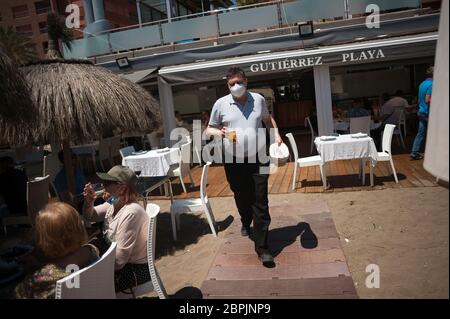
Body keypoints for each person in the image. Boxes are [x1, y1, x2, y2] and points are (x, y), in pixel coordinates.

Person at [206, 67, 282, 267]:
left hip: (259, 156)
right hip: (233, 158)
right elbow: (209, 128)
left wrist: (276, 135)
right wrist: (218, 133)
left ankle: (263, 248)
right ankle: (246, 220)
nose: (236, 86)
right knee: (241, 194)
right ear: (227, 85)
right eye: (232, 84)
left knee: (260, 198)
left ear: (246, 81)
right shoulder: (220, 104)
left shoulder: (258, 99)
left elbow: (267, 119)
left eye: (239, 82)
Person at [82, 165, 151, 292]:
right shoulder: (114, 203)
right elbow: (90, 216)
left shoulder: (131, 212)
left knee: (85, 286)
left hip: (133, 271)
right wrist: (89, 202)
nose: (103, 186)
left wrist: (92, 266)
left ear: (122, 188)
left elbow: (119, 261)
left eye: (107, 183)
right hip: (118, 266)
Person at [15, 202, 99, 299]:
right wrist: (40, 265)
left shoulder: (38, 281)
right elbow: (68, 266)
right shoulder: (92, 251)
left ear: (44, 240)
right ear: (79, 229)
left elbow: (19, 294)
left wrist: (32, 273)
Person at [410, 66, 433, 160]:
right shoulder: (432, 84)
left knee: (421, 133)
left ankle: (414, 152)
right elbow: (428, 100)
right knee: (436, 132)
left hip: (421, 111)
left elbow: (420, 100)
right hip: (428, 113)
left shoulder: (422, 84)